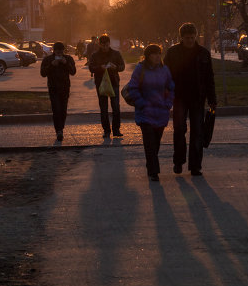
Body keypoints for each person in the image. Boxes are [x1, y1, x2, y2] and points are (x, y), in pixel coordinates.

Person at [164, 22, 216, 177]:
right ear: (181, 37)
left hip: (198, 99)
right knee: (179, 130)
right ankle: (178, 161)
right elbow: (165, 75)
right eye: (187, 38)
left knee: (197, 132)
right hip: (179, 97)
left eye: (193, 37)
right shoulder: (173, 52)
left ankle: (195, 166)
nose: (190, 41)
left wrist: (212, 99)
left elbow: (209, 78)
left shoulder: (203, 53)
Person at [126, 44, 174, 181]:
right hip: (145, 112)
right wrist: (141, 103)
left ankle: (150, 165)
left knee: (156, 142)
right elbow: (133, 87)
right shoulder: (140, 69)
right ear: (148, 56)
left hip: (160, 111)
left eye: (159, 53)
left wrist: (168, 103)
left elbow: (171, 88)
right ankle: (154, 171)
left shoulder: (164, 70)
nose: (158, 56)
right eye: (154, 54)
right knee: (149, 142)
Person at [88, 33, 125, 138]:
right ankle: (106, 130)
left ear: (109, 44)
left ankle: (116, 129)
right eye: (103, 45)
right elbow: (91, 68)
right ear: (100, 44)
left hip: (114, 82)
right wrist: (100, 67)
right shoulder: (95, 55)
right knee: (103, 108)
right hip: (101, 83)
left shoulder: (116, 54)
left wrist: (115, 67)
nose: (105, 47)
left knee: (116, 107)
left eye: (106, 45)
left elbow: (122, 67)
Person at [40, 41, 76, 142]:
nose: (59, 53)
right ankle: (59, 131)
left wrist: (66, 63)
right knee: (56, 109)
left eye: (61, 51)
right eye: (57, 52)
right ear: (54, 51)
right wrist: (52, 65)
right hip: (53, 88)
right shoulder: (48, 59)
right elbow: (42, 73)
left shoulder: (68, 59)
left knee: (63, 110)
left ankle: (61, 128)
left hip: (65, 88)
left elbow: (73, 72)